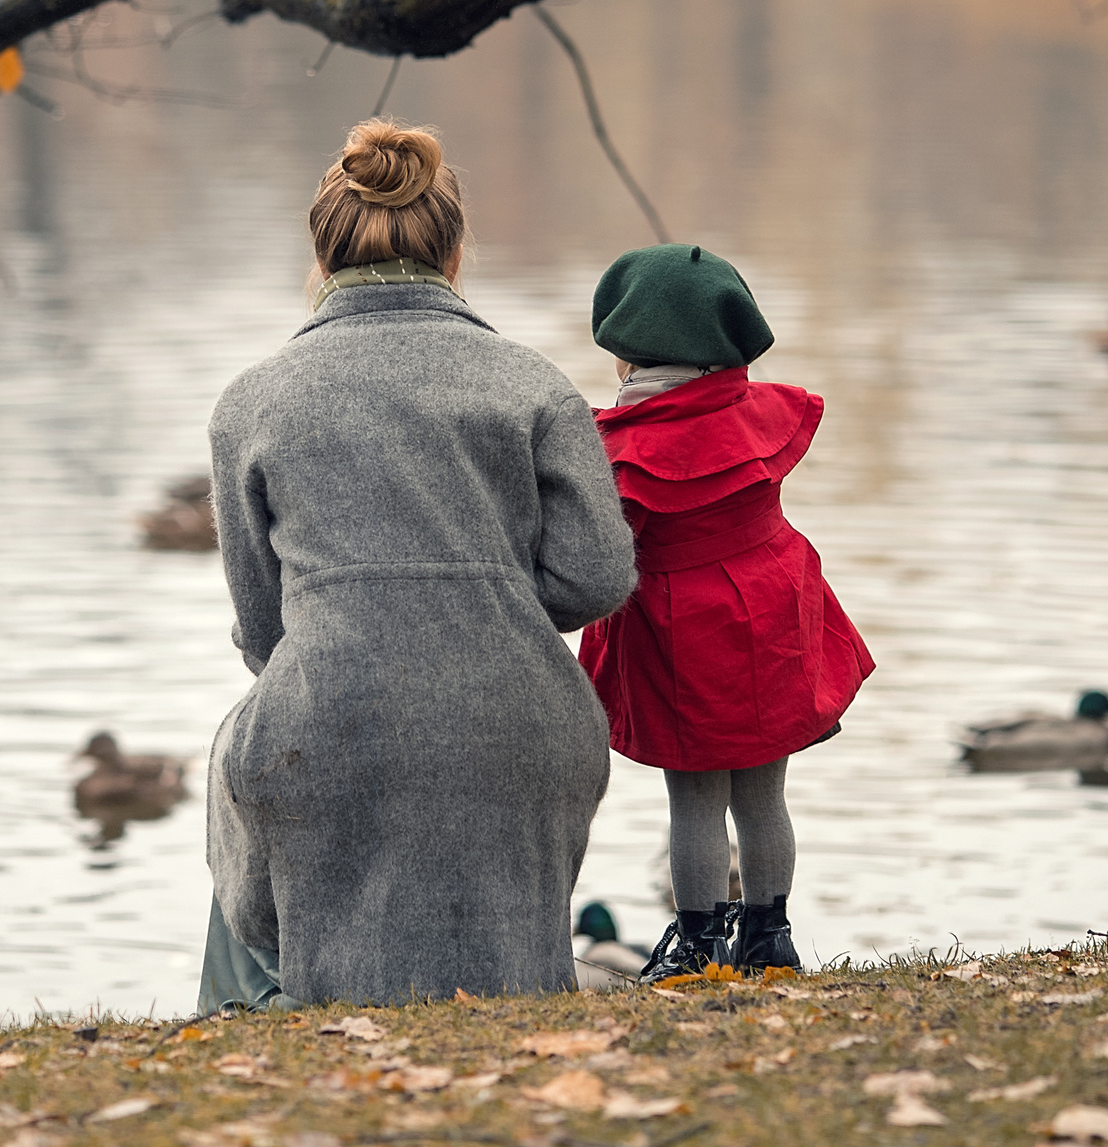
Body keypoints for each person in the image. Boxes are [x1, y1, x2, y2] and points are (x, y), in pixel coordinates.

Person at [199, 119, 638, 1010]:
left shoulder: (251, 402)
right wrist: (486, 599)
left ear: (320, 259)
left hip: (325, 727)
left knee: (245, 778)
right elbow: (598, 576)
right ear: (456, 250)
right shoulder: (533, 384)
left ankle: (249, 1015)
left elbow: (262, 629)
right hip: (524, 730)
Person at [577, 243, 874, 979]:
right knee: (765, 792)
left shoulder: (633, 448)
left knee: (696, 797)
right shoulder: (758, 415)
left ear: (632, 355)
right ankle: (771, 939)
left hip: (687, 630)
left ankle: (700, 944)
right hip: (772, 609)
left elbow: (613, 550)